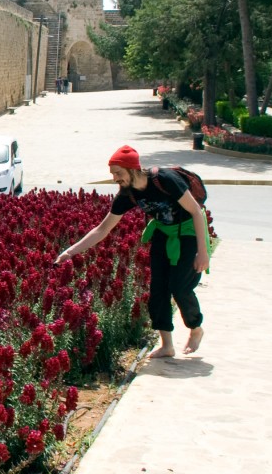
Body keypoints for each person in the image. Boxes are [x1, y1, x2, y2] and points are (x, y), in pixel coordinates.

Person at [54, 145, 210, 358]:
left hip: (189, 232)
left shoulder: (165, 180)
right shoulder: (127, 195)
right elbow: (102, 229)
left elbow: (196, 212)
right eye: (113, 174)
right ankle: (167, 345)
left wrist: (202, 252)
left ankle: (195, 328)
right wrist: (69, 252)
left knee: (179, 287)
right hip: (163, 233)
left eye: (118, 173)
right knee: (158, 290)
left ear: (133, 169)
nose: (115, 179)